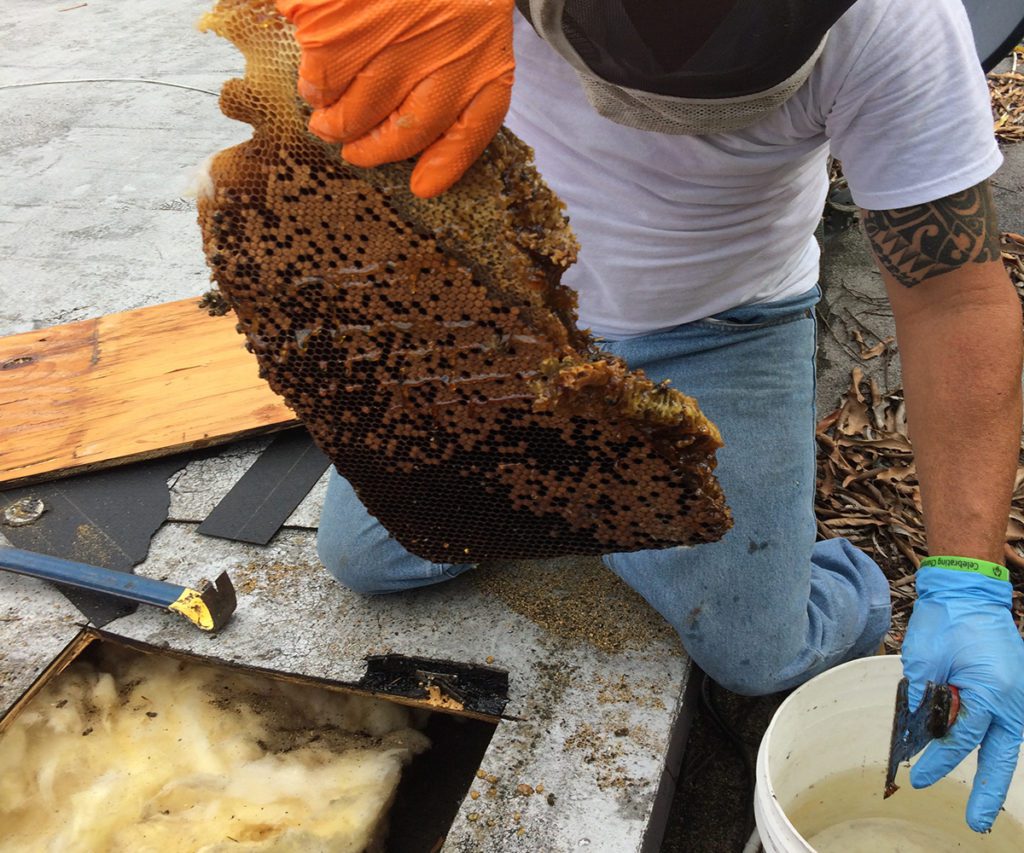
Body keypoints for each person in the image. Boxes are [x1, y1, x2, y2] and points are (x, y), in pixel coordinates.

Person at [276, 0, 1024, 832]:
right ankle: (640, 505)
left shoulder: (899, 20)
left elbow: (954, 299)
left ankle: (812, 578)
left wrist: (968, 579)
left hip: (721, 328)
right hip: (499, 311)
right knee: (369, 553)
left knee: (755, 653)